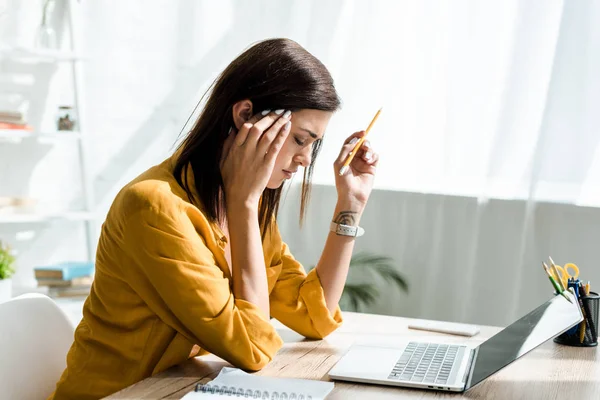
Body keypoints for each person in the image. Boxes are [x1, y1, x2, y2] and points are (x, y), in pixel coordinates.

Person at [50, 38, 379, 400]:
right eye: (300, 139)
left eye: (313, 145)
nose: (304, 159)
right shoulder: (154, 209)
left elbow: (313, 316)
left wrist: (350, 203)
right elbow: (253, 349)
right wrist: (244, 204)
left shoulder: (242, 203)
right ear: (243, 116)